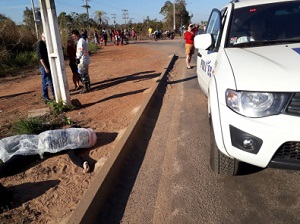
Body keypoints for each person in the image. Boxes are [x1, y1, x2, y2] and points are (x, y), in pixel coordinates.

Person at [36, 33, 55, 102]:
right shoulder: (40, 44)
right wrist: (45, 67)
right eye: (45, 37)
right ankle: (48, 96)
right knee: (48, 81)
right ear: (42, 37)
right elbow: (40, 57)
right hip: (44, 66)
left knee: (47, 81)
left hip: (47, 65)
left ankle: (48, 96)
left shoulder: (45, 44)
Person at [71, 29, 91, 93]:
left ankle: (86, 87)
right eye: (73, 37)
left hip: (82, 60)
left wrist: (77, 58)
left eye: (75, 36)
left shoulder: (81, 41)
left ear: (78, 35)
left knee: (81, 74)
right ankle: (87, 87)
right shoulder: (81, 40)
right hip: (84, 59)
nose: (74, 38)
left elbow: (80, 50)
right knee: (85, 74)